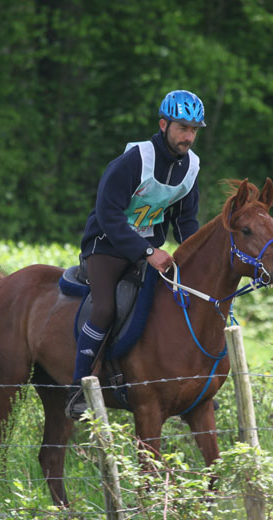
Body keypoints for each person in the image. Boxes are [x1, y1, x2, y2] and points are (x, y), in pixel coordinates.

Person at [66, 89, 206, 418]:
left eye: (194, 130)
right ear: (163, 125)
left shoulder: (191, 168)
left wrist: (196, 260)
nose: (188, 136)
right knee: (105, 308)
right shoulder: (134, 160)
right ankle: (78, 388)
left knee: (171, 305)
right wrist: (147, 251)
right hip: (106, 244)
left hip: (148, 251)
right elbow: (108, 214)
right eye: (182, 128)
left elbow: (185, 221)